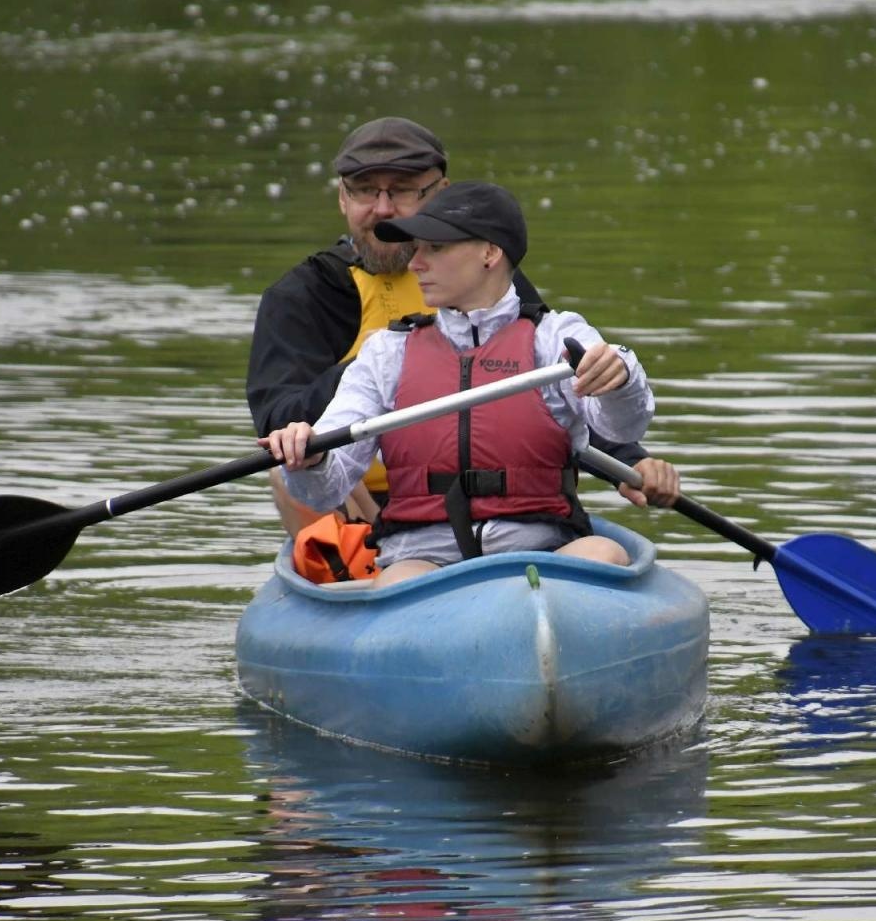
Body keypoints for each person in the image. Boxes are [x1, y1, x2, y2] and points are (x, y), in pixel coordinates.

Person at [245, 116, 679, 535]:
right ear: (342, 198)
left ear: (440, 195)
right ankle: (355, 575)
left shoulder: (488, 280)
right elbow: (279, 422)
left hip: (503, 499)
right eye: (363, 192)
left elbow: (546, 392)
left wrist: (629, 461)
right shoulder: (305, 294)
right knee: (289, 468)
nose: (382, 209)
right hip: (360, 496)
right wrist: (396, 368)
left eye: (401, 191)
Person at [261, 181, 655, 587]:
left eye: (435, 248)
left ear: (490, 252)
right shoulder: (387, 354)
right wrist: (312, 460)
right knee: (396, 584)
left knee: (604, 553)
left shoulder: (554, 337)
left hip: (542, 550)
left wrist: (620, 379)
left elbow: (622, 427)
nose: (415, 264)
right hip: (423, 559)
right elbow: (323, 490)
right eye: (416, 248)